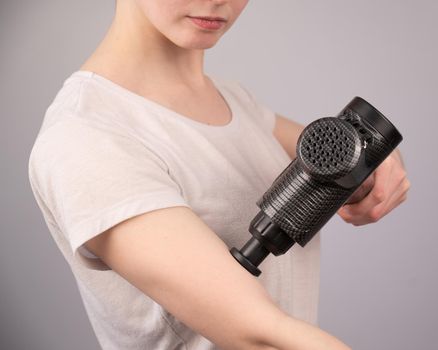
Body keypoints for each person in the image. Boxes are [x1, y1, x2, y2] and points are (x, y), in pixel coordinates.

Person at [27, 1, 410, 349]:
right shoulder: (86, 136)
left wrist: (378, 163)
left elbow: (340, 152)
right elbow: (259, 334)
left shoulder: (236, 101)